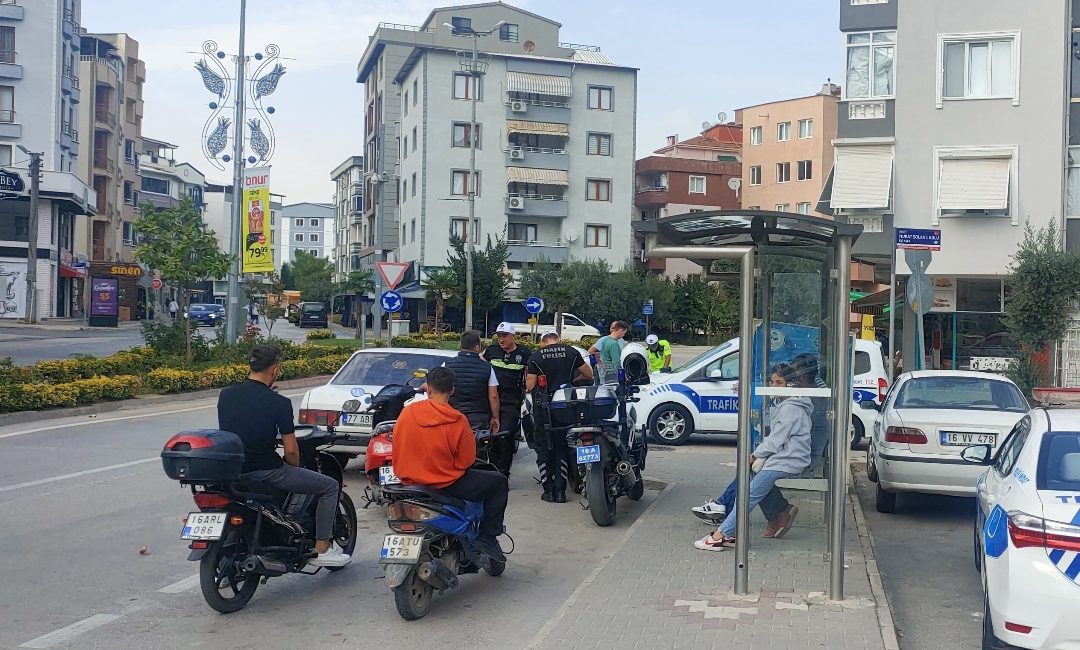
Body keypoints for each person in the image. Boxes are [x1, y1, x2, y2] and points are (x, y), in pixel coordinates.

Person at [217, 344, 350, 567]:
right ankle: (322, 549)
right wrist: (294, 467)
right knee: (329, 487)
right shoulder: (279, 403)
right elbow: (290, 449)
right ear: (275, 370)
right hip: (267, 471)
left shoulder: (227, 395)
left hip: (235, 471)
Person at [392, 366, 507, 561]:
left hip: (407, 479)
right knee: (499, 482)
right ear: (452, 390)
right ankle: (487, 536)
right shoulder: (457, 419)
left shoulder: (407, 413)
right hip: (445, 484)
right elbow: (466, 462)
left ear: (428, 388)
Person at [694, 363, 812, 551]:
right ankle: (776, 514)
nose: (773, 386)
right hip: (782, 459)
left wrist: (755, 455)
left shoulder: (791, 408)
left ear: (790, 384)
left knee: (748, 495)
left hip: (787, 461)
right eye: (771, 382)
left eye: (779, 382)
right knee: (751, 480)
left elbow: (776, 440)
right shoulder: (789, 404)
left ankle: (720, 535)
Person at [526, 330, 593, 503]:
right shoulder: (572, 352)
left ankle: (549, 491)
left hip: (543, 408)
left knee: (543, 446)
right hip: (565, 405)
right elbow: (588, 375)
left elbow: (530, 385)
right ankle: (561, 491)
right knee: (562, 445)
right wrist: (573, 382)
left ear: (542, 342)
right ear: (558, 340)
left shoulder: (536, 356)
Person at [483, 323, 532, 476]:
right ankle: (493, 470)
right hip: (491, 400)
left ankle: (503, 473)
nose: (501, 339)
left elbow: (530, 374)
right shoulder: (491, 351)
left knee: (505, 436)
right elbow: (480, 365)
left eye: (504, 336)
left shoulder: (524, 353)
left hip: (512, 401)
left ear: (513, 336)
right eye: (499, 336)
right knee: (491, 438)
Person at [443, 331, 500, 433]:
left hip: (453, 414)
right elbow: (493, 395)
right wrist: (495, 417)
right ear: (477, 348)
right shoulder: (487, 368)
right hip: (479, 417)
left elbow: (439, 390)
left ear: (460, 346)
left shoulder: (447, 365)